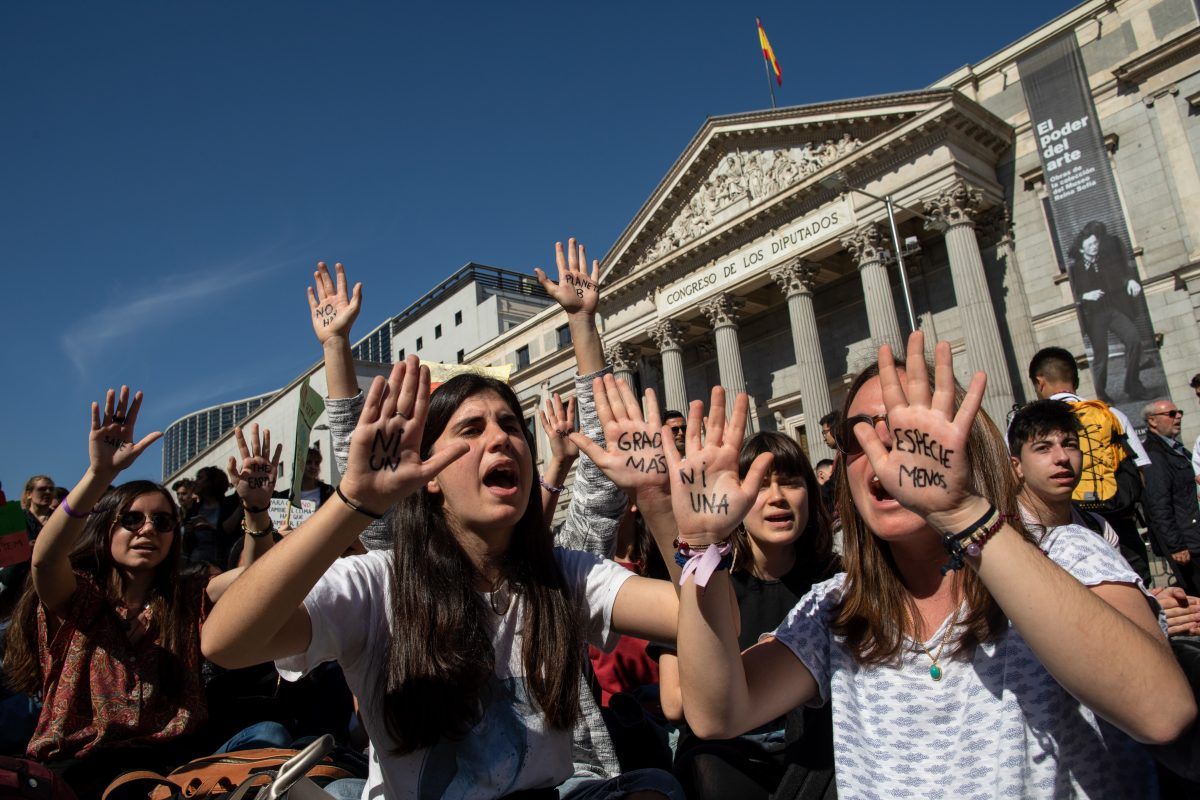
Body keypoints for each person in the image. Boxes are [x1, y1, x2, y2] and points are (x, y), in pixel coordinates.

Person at [674, 331, 1194, 799]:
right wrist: (702, 545)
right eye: (858, 437)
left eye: (909, 426)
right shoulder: (835, 608)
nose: (884, 448)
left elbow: (1160, 711)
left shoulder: (1064, 554)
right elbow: (720, 712)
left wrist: (962, 513)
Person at [202, 357, 684, 799]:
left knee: (652, 789)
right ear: (428, 474)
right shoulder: (377, 584)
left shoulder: (561, 575)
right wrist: (353, 502)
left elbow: (695, 619)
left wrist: (660, 505)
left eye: (511, 426)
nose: (500, 439)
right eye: (471, 429)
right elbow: (227, 643)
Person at [2, 387, 285, 797]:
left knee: (270, 734)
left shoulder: (188, 595)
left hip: (179, 768)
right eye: (132, 520)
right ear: (106, 528)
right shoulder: (79, 595)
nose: (148, 528)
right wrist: (99, 475)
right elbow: (45, 560)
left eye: (163, 522)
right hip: (86, 769)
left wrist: (256, 508)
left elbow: (256, 580)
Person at [655, 431, 837, 800]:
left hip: (812, 750)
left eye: (791, 482)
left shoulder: (836, 585)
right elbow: (674, 701)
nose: (777, 497)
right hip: (726, 753)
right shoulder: (706, 582)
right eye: (761, 485)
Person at [1028, 346, 1151, 582]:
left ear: (1039, 381)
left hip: (1064, 531)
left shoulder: (1027, 423)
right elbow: (1140, 472)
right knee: (1138, 589)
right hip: (1119, 523)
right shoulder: (1112, 415)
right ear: (1075, 378)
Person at [1007, 400, 1120, 550]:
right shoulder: (999, 534)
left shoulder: (1099, 528)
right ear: (1017, 466)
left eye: (1070, 445)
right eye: (1043, 448)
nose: (1063, 457)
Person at [1069, 220, 1147, 402]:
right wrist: (1085, 296)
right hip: (1094, 316)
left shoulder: (1105, 259)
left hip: (1113, 310)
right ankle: (1100, 394)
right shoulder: (1075, 269)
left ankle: (1132, 385)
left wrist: (1130, 281)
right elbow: (1072, 293)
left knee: (1134, 340)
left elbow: (1121, 274)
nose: (1094, 247)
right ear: (1081, 249)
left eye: (1095, 243)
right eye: (1090, 245)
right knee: (1100, 355)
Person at [1142, 399, 1200, 595]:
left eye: (1179, 412)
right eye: (1171, 414)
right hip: (1188, 544)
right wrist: (1176, 546)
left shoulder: (1176, 448)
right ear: (1152, 421)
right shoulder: (1154, 454)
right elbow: (1158, 504)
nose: (1178, 417)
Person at [21, 476, 55, 541]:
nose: (48, 492)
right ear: (29, 494)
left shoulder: (59, 517)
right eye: (42, 489)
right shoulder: (19, 518)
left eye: (51, 489)